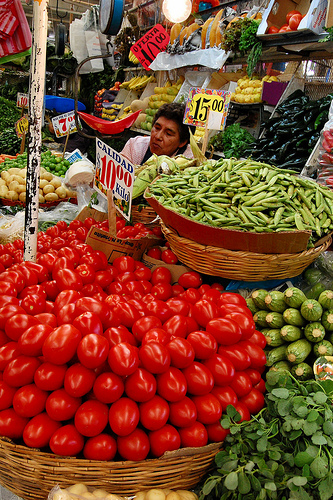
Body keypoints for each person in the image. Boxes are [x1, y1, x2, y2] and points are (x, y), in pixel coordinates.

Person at [121, 102, 194, 165]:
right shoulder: (135, 146)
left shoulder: (190, 161)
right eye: (157, 128)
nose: (158, 136)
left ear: (183, 142)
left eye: (168, 134)